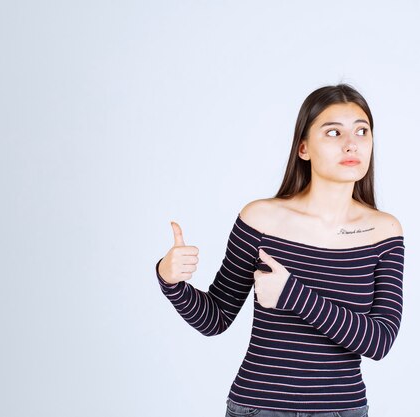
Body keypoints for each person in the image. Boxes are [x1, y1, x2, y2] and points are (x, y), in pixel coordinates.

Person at [156, 83, 405, 417]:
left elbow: (379, 341)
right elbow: (216, 318)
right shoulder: (261, 219)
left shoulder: (384, 231)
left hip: (342, 409)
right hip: (259, 407)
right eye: (333, 133)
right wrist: (170, 280)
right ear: (304, 148)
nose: (351, 143)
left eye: (362, 132)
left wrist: (292, 294)